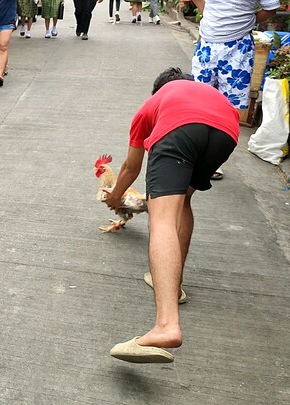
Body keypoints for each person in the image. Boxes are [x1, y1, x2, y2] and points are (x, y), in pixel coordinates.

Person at [104, 68, 239, 363]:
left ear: (157, 91)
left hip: (181, 130)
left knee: (161, 216)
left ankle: (166, 325)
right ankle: (173, 286)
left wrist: (115, 197)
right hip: (227, 131)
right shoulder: (207, 93)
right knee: (184, 201)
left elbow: (131, 167)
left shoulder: (153, 104)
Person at [191, 0, 279, 180]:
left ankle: (214, 161)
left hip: (238, 47)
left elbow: (271, 8)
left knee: (228, 108)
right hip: (207, 42)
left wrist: (244, 20)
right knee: (198, 102)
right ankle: (194, 154)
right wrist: (206, 11)